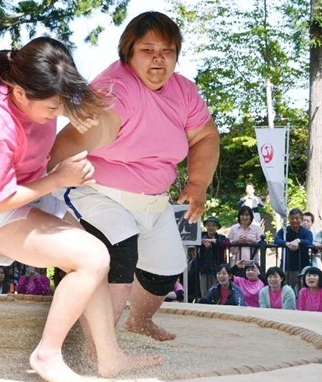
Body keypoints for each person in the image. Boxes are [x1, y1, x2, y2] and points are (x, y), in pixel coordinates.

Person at [0, 37, 160, 382]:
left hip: (30, 183)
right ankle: (47, 354)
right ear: (19, 94)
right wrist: (58, 178)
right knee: (90, 257)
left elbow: (84, 108)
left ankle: (108, 357)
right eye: (52, 109)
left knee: (94, 255)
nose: (57, 114)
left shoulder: (41, 89)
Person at [49, 11, 220, 341]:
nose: (158, 59)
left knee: (166, 270)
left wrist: (197, 183)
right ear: (128, 52)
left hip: (154, 200)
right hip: (98, 192)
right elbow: (86, 132)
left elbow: (205, 136)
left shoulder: (183, 90)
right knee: (119, 252)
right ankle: (97, 346)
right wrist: (37, 183)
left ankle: (139, 320)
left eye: (167, 51)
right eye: (148, 50)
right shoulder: (116, 88)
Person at [274, 208, 313, 289]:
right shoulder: (285, 231)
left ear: (301, 219)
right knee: (286, 289)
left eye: (297, 218)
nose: (294, 220)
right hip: (288, 266)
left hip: (302, 266)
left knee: (303, 290)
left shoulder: (306, 232)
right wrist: (286, 243)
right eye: (292, 218)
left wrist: (298, 241)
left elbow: (309, 241)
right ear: (289, 219)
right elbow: (276, 239)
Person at [198, 216, 230, 297]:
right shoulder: (201, 235)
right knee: (204, 290)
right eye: (208, 225)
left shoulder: (220, 237)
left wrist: (212, 241)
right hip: (203, 267)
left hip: (217, 268)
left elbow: (227, 243)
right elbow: (194, 241)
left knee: (216, 289)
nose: (211, 227)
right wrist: (203, 242)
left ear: (217, 227)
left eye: (213, 225)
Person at [228, 205, 263, 270]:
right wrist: (237, 241)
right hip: (236, 261)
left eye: (247, 215)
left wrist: (250, 240)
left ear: (251, 216)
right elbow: (228, 242)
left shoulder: (257, 229)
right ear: (239, 216)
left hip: (252, 261)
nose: (244, 217)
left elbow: (262, 243)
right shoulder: (234, 228)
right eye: (242, 215)